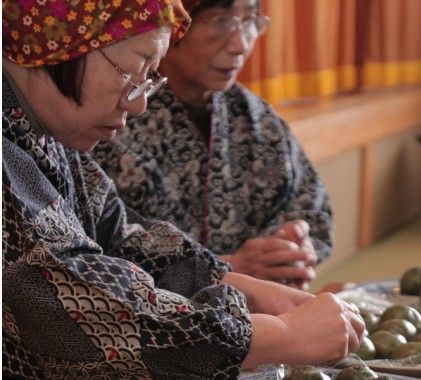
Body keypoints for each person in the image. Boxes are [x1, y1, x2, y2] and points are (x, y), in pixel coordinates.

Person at [2, 1, 363, 379]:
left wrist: (232, 283)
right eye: (133, 70)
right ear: (59, 41)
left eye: (149, 77)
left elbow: (119, 236)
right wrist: (281, 335)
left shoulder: (45, 131)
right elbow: (67, 297)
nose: (140, 102)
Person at [93, 0, 334, 289]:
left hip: (264, 319)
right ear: (171, 23)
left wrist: (289, 249)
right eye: (221, 21)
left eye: (250, 21)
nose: (240, 45)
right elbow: (93, 256)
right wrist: (225, 269)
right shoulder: (110, 119)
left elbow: (310, 208)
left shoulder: (256, 119)